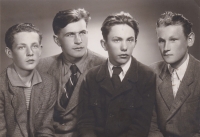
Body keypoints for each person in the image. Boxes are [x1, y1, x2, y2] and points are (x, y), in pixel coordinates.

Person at [77, 11, 156, 137]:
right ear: (104, 44)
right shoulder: (91, 76)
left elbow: (140, 128)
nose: (124, 47)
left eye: (130, 40)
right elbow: (86, 123)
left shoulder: (147, 76)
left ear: (135, 42)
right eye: (117, 40)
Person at [37, 8, 105, 137]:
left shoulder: (104, 67)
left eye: (83, 33)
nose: (78, 40)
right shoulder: (41, 67)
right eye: (70, 34)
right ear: (57, 40)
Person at [148, 11, 200, 137]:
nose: (166, 48)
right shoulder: (151, 73)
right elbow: (150, 125)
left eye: (173, 40)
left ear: (190, 39)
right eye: (161, 41)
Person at [0, 23, 57, 137]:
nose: (30, 53)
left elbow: (45, 128)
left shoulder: (49, 82)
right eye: (21, 47)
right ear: (9, 52)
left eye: (34, 46)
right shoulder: (1, 85)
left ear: (40, 50)